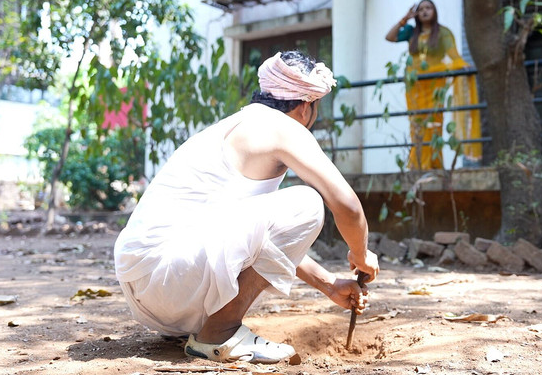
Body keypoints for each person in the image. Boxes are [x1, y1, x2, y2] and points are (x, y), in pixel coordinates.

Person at [113, 51, 379, 364]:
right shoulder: (284, 127)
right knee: (307, 204)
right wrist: (361, 256)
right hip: (168, 279)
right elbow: (348, 206)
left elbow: (255, 237)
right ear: (307, 105)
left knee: (287, 211)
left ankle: (208, 326)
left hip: (151, 292)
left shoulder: (238, 124)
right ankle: (219, 333)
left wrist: (329, 285)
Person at [385, 0, 482, 169]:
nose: (424, 11)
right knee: (416, 124)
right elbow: (389, 37)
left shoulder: (443, 33)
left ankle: (432, 164)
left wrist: (465, 66)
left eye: (428, 8)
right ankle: (417, 164)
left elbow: (454, 57)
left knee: (434, 123)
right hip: (415, 86)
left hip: (435, 85)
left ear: (434, 11)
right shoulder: (411, 32)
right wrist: (404, 19)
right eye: (421, 8)